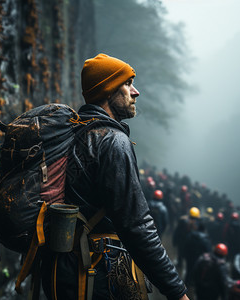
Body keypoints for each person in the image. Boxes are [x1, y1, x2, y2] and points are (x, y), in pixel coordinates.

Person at [40, 54, 189, 300]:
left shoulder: (73, 133)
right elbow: (137, 226)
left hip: (63, 270)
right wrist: (177, 291)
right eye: (128, 83)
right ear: (109, 90)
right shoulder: (112, 142)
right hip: (96, 274)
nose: (136, 92)